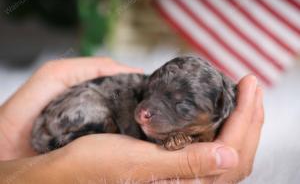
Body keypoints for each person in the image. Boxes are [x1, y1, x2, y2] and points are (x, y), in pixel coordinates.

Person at [0, 57, 264, 183]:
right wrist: (52, 171)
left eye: (181, 105)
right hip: (79, 111)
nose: (145, 109)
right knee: (96, 113)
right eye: (151, 90)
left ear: (220, 109)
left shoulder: (224, 103)